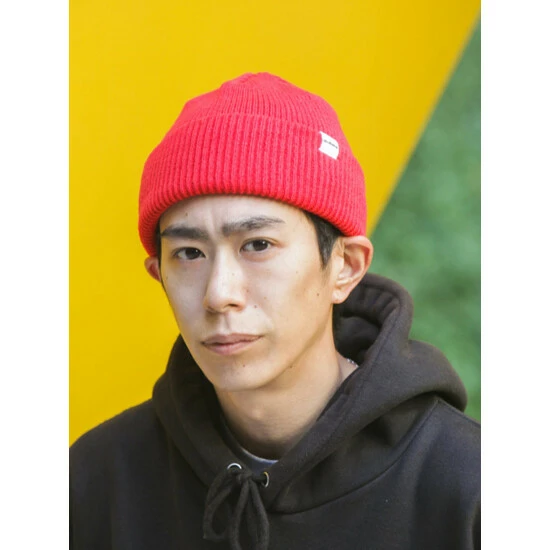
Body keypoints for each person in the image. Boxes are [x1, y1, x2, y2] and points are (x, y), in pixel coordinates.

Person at [70, 72, 480, 550]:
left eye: (258, 245)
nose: (219, 294)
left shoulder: (470, 489)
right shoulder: (96, 482)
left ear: (345, 267)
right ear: (158, 273)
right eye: (189, 253)